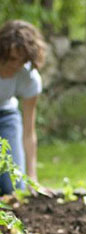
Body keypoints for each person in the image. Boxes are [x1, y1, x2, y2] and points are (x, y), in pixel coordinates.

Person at [0, 20, 46, 195]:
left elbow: (28, 132)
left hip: (7, 116)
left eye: (22, 60)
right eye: (11, 59)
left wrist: (32, 178)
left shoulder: (29, 78)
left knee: (13, 187)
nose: (16, 66)